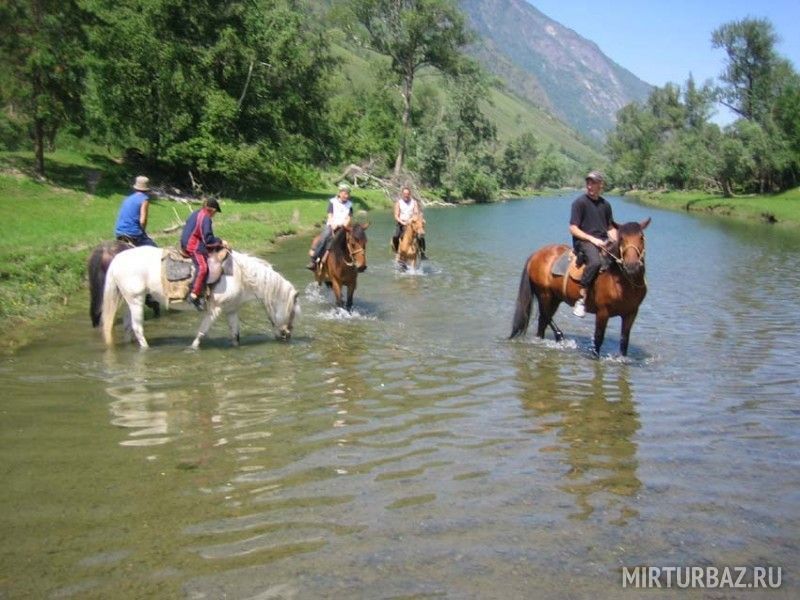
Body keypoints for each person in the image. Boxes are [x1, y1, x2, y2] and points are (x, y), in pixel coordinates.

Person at [568, 170, 618, 318]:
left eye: (593, 183)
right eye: (588, 182)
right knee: (595, 262)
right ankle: (581, 299)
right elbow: (573, 228)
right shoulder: (580, 203)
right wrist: (592, 239)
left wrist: (614, 240)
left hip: (603, 241)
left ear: (600, 185)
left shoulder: (605, 205)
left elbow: (609, 227)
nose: (589, 186)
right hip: (583, 241)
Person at [180, 199, 228, 311]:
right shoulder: (206, 218)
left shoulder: (196, 213)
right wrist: (221, 242)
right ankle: (194, 294)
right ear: (212, 210)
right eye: (215, 213)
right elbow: (208, 240)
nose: (214, 215)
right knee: (203, 268)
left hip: (185, 241)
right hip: (192, 245)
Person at [306, 183, 354, 270]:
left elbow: (349, 218)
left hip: (344, 227)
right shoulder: (333, 202)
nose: (346, 196)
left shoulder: (350, 205)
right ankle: (314, 260)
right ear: (340, 193)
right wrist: (333, 225)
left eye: (348, 194)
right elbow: (330, 215)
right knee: (324, 237)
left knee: (356, 238)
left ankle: (356, 261)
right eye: (345, 193)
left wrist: (342, 225)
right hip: (332, 225)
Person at [114, 175, 157, 247]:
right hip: (133, 233)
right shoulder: (144, 199)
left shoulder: (127, 198)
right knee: (153, 247)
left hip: (119, 231)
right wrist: (143, 231)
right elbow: (142, 221)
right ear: (147, 189)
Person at [391, 186, 427, 259]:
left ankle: (422, 253)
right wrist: (402, 222)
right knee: (395, 236)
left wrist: (412, 219)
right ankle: (397, 251)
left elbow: (416, 212)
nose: (406, 195)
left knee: (421, 236)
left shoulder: (414, 202)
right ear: (402, 194)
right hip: (402, 223)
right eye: (404, 194)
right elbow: (396, 215)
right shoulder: (399, 203)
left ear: (409, 194)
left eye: (407, 194)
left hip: (412, 223)